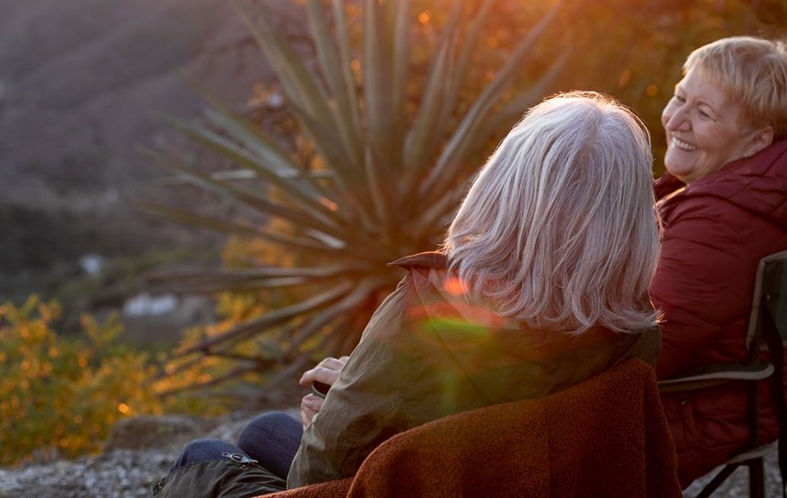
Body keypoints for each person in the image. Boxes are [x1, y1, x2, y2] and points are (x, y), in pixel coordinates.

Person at [154, 91, 664, 494]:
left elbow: (316, 477)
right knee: (264, 429)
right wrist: (360, 384)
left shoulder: (425, 310)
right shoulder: (630, 326)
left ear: (502, 187)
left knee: (201, 456)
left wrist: (332, 417)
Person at [650, 36, 787, 488]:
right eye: (680, 96)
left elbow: (645, 351)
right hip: (719, 395)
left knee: (496, 436)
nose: (676, 119)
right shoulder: (754, 188)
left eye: (704, 113)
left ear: (757, 140)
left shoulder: (722, 222)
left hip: (697, 407)